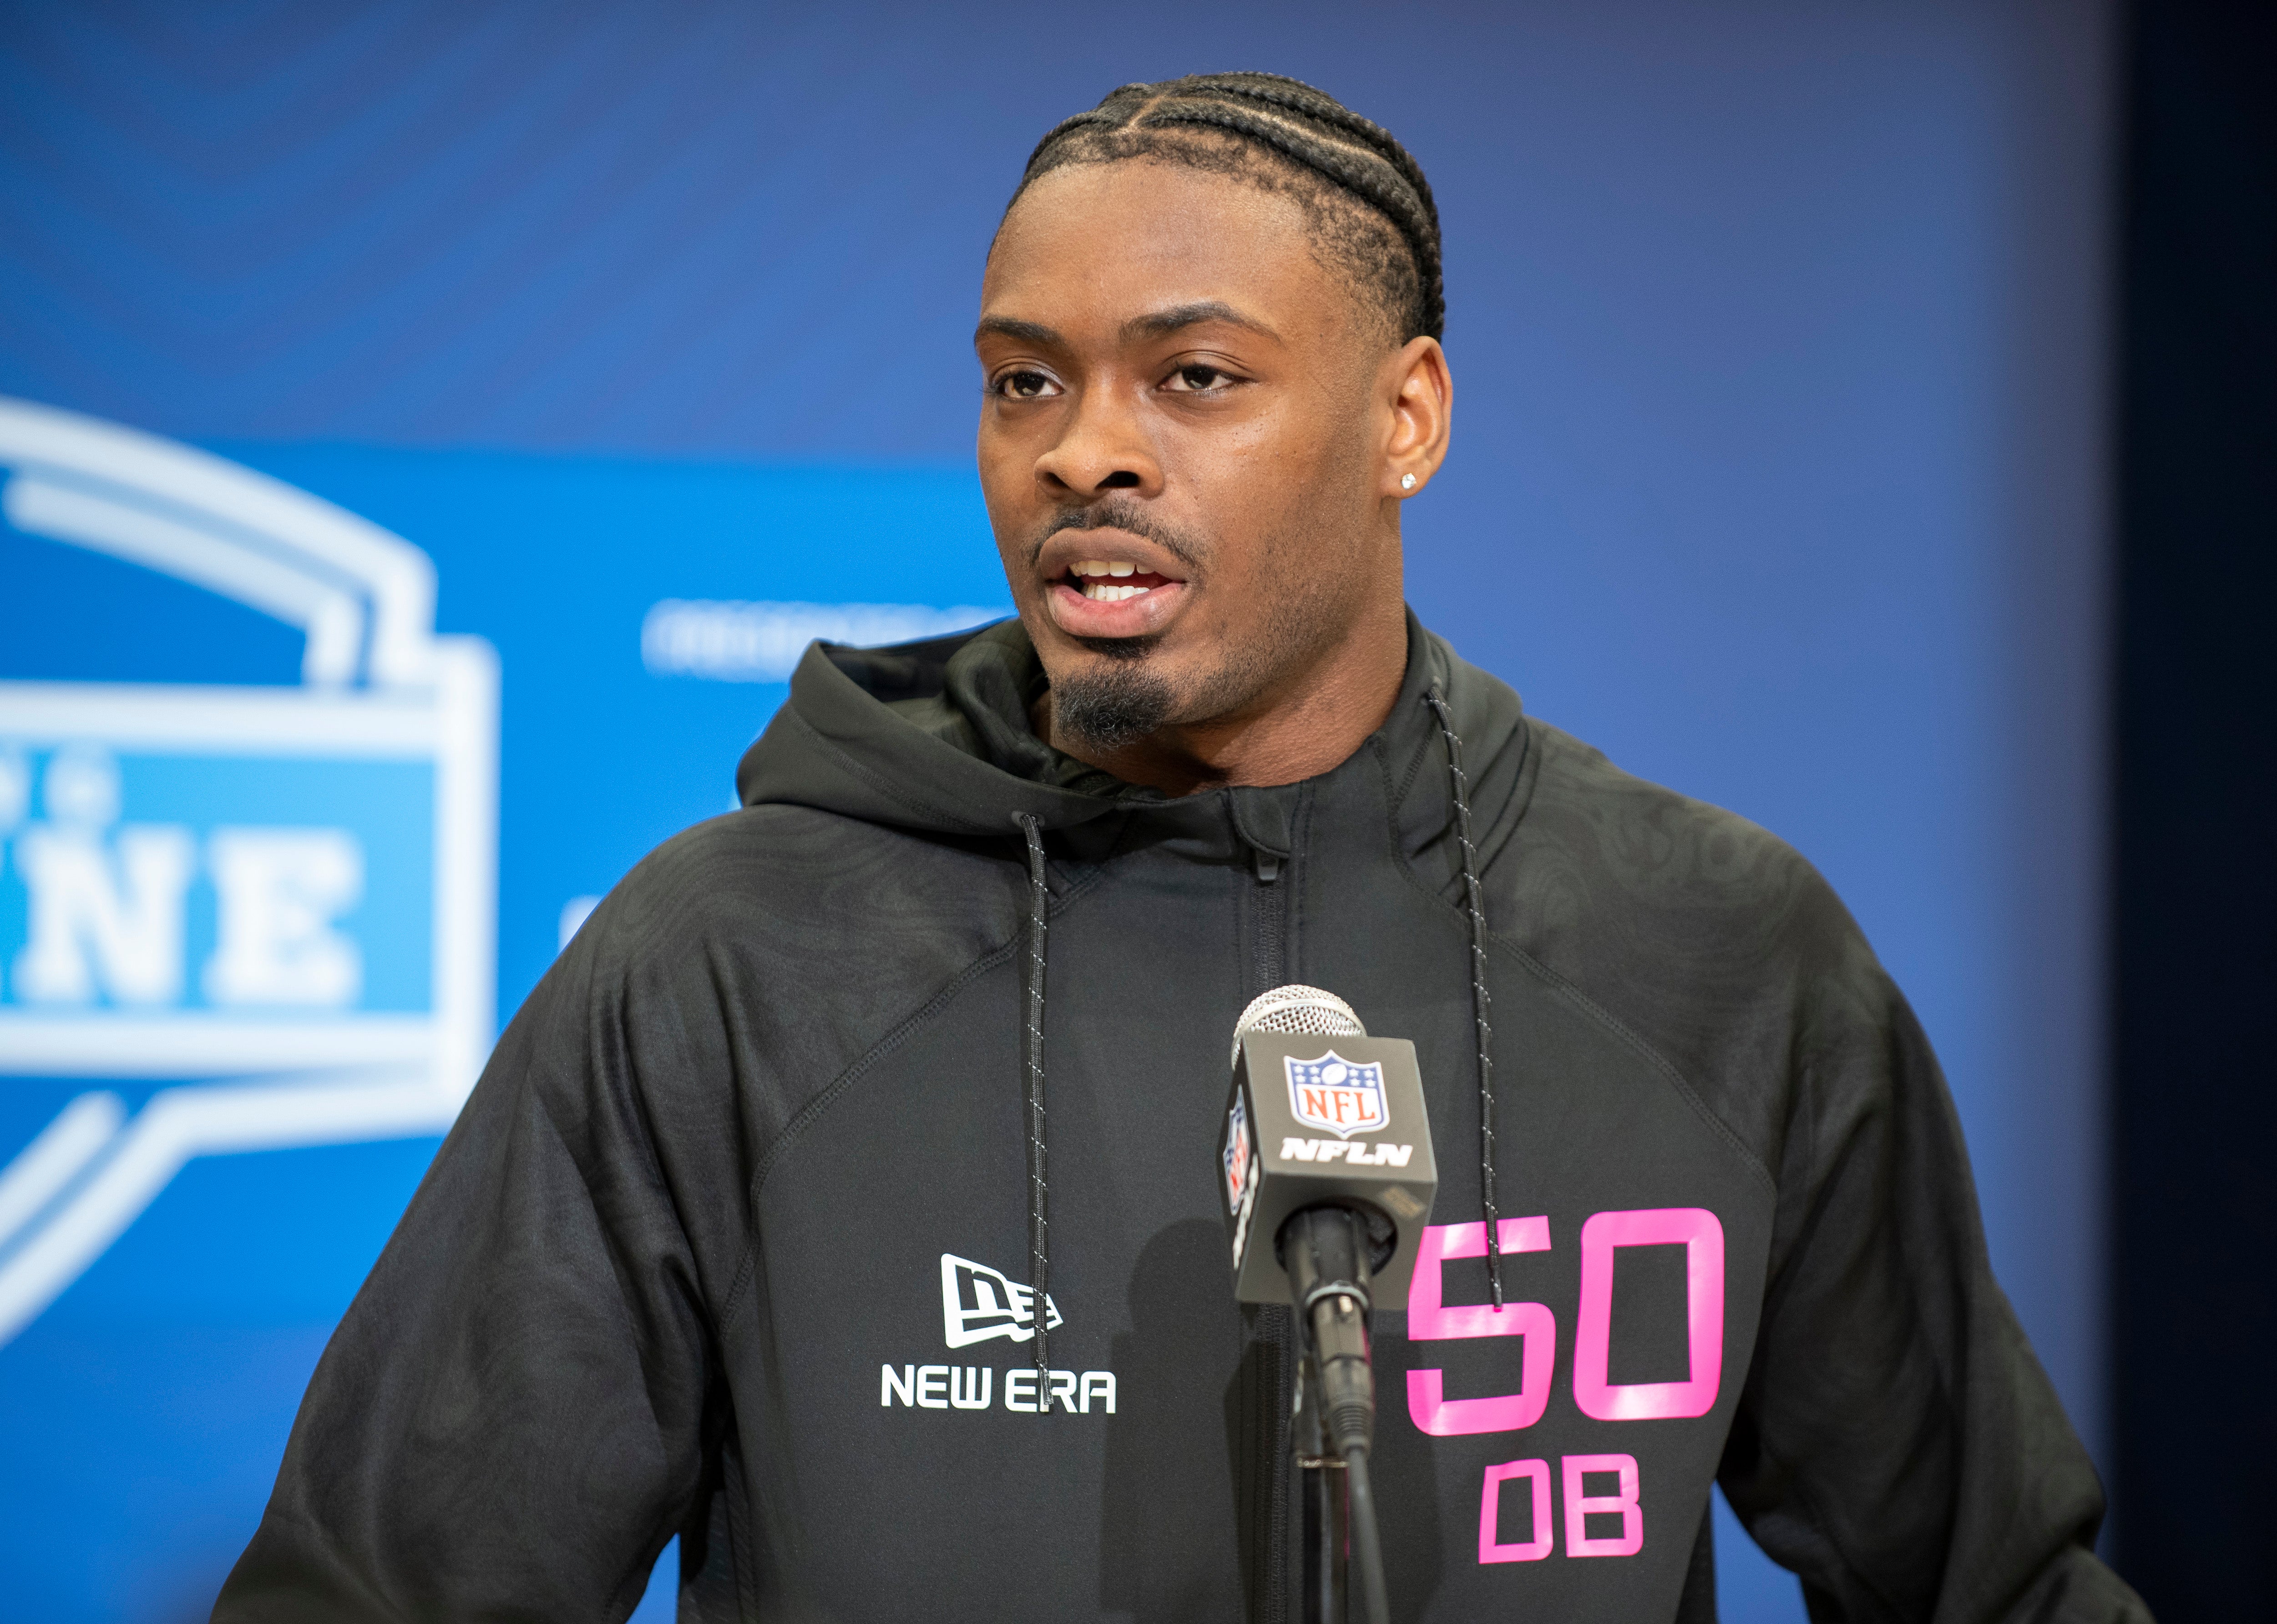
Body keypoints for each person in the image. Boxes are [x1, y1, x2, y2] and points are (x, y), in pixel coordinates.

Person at [214, 73, 2149, 1623]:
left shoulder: (1718, 952)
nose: (1080, 451)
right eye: (1023, 379)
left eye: (1192, 376)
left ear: (1407, 418)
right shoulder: (727, 959)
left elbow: (1990, 1586)